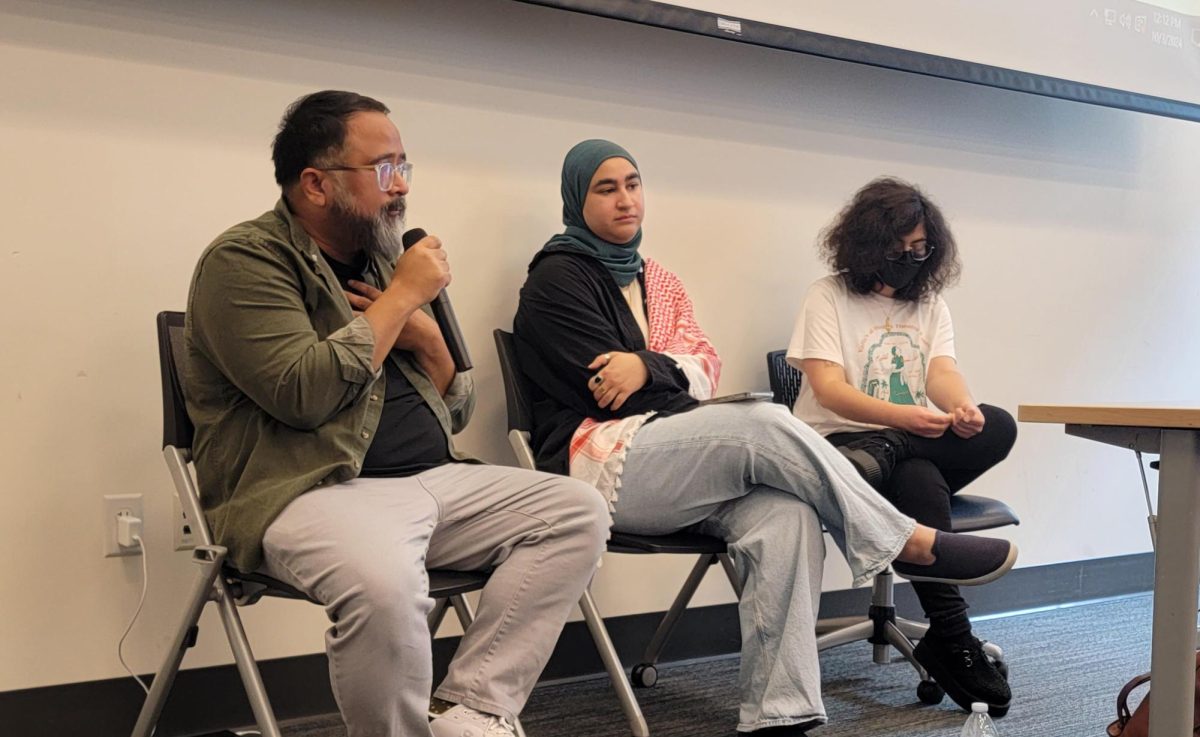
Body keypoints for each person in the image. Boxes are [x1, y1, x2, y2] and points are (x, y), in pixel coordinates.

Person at [512, 139, 1018, 736]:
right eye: (607, 188)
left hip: (682, 456)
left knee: (787, 515)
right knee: (762, 419)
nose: (626, 199)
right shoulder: (555, 280)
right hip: (605, 465)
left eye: (633, 183)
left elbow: (704, 367)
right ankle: (901, 540)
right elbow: (611, 390)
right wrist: (664, 370)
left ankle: (780, 716)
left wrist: (649, 366)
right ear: (577, 197)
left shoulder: (660, 281)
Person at [182, 91, 609, 737]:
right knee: (384, 586)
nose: (401, 185)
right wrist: (405, 297)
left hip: (434, 476)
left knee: (578, 510)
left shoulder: (387, 256)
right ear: (316, 183)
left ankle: (471, 710)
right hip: (311, 487)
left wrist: (427, 337)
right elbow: (301, 394)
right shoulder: (244, 262)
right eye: (383, 168)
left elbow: (456, 408)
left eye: (404, 165)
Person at [787, 176, 1018, 715]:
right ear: (868, 247)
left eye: (921, 250)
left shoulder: (931, 303)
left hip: (895, 448)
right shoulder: (828, 295)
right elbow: (829, 390)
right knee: (917, 477)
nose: (911, 260)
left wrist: (961, 407)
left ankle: (949, 633)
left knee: (995, 425)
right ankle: (953, 636)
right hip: (841, 447)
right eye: (899, 250)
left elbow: (941, 370)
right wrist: (903, 419)